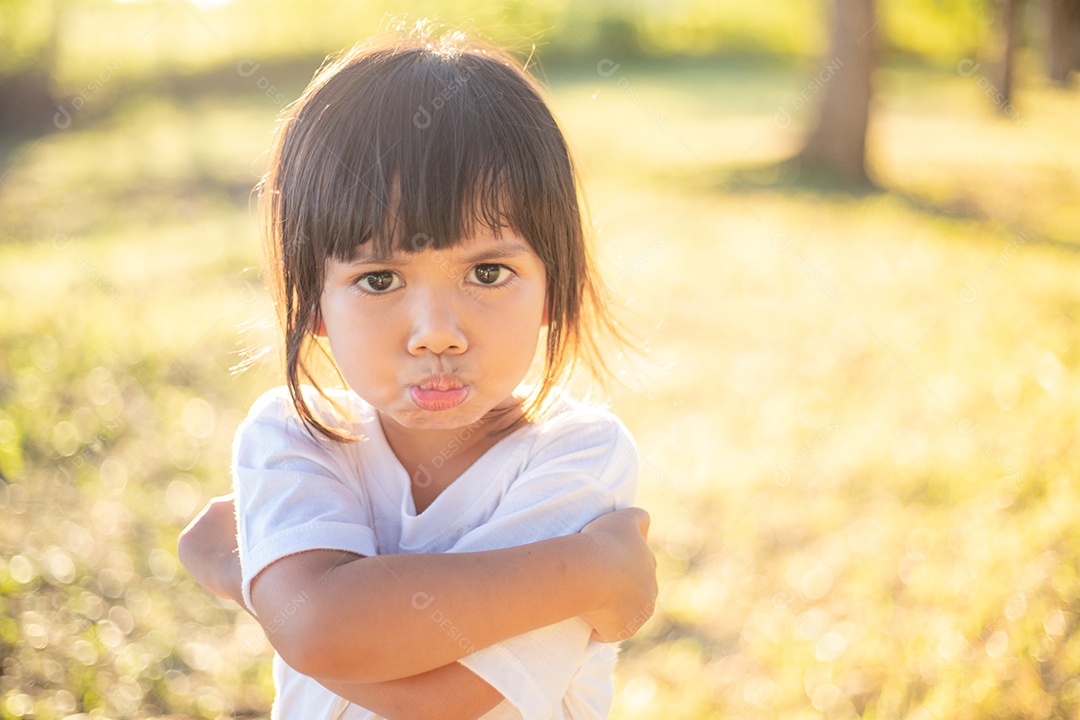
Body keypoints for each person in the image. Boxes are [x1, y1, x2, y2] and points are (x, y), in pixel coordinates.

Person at [178, 22, 658, 720]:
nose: (437, 332)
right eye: (380, 280)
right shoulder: (294, 437)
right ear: (313, 303)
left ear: (555, 287)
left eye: (487, 272)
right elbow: (321, 631)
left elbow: (438, 698)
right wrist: (590, 571)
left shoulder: (578, 455)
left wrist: (249, 578)